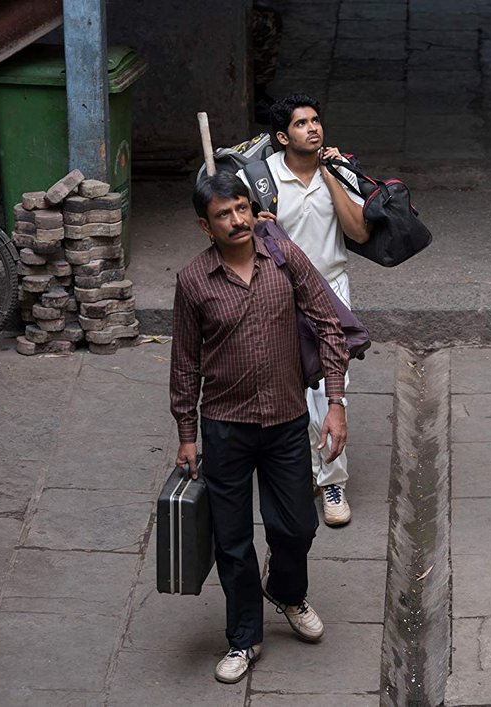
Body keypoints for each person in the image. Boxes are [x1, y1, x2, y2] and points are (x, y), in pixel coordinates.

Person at [170, 171, 349, 684]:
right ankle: (244, 636)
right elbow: (184, 363)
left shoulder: (286, 259)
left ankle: (289, 593)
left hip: (288, 421)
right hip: (225, 428)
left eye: (242, 209)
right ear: (206, 227)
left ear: (254, 210)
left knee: (297, 527)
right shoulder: (192, 281)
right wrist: (187, 433)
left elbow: (330, 324)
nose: (237, 220)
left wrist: (334, 402)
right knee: (232, 540)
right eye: (223, 215)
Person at [240, 92, 370, 527]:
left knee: (332, 388)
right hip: (280, 292)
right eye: (302, 124)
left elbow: (359, 231)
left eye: (316, 121)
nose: (313, 128)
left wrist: (332, 175)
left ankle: (333, 481)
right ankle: (303, 470)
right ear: (282, 136)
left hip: (331, 289)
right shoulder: (262, 180)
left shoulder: (338, 169)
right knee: (292, 387)